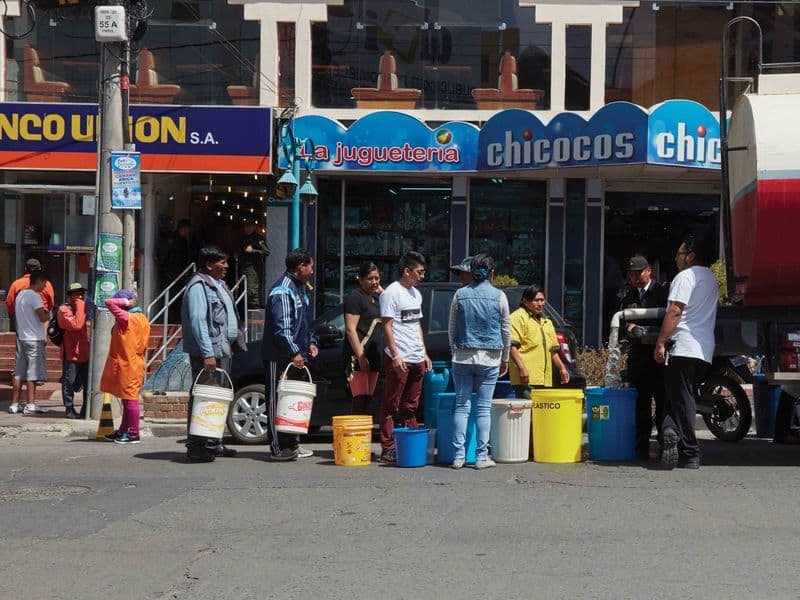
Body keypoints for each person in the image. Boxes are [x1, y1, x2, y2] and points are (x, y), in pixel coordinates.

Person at [654, 233, 719, 470]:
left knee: (682, 400)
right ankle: (670, 431)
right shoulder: (711, 279)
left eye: (679, 253)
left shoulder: (685, 277)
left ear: (690, 256)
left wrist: (661, 342)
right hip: (703, 350)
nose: (676, 258)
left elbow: (675, 310)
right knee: (678, 396)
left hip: (682, 346)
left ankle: (691, 452)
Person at [448, 254, 510, 469]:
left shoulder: (460, 294)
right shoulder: (500, 296)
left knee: (461, 406)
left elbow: (452, 328)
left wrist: (454, 350)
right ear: (491, 273)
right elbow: (506, 330)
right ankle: (481, 457)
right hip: (490, 357)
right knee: (483, 408)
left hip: (462, 356)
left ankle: (458, 456)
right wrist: (505, 358)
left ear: (471, 271)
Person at [182, 246, 241, 462]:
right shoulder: (198, 286)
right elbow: (198, 322)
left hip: (223, 350)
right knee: (204, 398)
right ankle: (196, 446)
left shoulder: (219, 284)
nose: (226, 266)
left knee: (218, 399)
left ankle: (213, 442)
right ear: (208, 264)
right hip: (210, 354)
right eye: (222, 262)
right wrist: (208, 354)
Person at [262, 248, 318, 461]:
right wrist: (294, 351)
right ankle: (278, 448)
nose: (311, 271)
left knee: (293, 402)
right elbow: (281, 329)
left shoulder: (300, 289)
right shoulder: (282, 290)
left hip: (296, 355)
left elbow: (303, 323)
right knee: (277, 400)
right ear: (301, 267)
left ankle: (293, 444)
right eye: (310, 267)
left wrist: (310, 342)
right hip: (279, 356)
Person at [378, 251, 431, 463]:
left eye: (423, 272)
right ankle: (388, 448)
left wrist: (424, 352)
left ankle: (411, 445)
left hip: (417, 357)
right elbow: (387, 326)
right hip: (400, 357)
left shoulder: (416, 294)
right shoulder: (391, 293)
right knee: (391, 404)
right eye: (419, 272)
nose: (422, 276)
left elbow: (416, 324)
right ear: (407, 271)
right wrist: (395, 354)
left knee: (411, 405)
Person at [619, 255, 669, 460]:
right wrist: (628, 329)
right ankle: (641, 446)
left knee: (663, 402)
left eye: (638, 273)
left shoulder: (663, 293)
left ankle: (665, 444)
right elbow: (621, 322)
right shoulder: (628, 295)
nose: (635, 278)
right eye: (631, 274)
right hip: (638, 357)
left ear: (649, 271)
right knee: (640, 404)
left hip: (659, 356)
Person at [99, 290, 151, 444]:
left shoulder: (127, 318)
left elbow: (108, 302)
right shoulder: (141, 317)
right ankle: (123, 431)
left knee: (130, 400)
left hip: (129, 364)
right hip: (134, 363)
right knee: (127, 400)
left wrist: (126, 302)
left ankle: (133, 433)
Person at [508, 285, 570, 399]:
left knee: (542, 410)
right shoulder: (517, 317)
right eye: (536, 300)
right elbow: (511, 346)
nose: (540, 304)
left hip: (544, 379)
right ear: (525, 302)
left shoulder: (546, 321)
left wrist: (562, 368)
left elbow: (553, 350)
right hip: (526, 379)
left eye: (542, 300)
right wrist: (522, 368)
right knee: (528, 409)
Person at [8, 271, 51, 415]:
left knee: (19, 372)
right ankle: (30, 404)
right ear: (39, 281)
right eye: (44, 283)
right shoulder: (35, 296)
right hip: (34, 339)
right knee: (33, 373)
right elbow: (42, 317)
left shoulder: (20, 295)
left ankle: (14, 404)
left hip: (22, 338)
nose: (44, 287)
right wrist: (48, 314)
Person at [344, 262, 383, 414]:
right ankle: (355, 430)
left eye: (377, 278)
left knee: (368, 400)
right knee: (359, 401)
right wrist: (361, 357)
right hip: (358, 357)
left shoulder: (377, 298)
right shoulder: (355, 298)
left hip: (374, 356)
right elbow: (350, 329)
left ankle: (365, 430)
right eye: (370, 278)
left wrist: (382, 291)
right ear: (360, 279)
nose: (374, 282)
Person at [58, 282, 90, 419]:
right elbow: (76, 325)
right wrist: (80, 304)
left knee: (87, 384)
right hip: (71, 353)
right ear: (69, 296)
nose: (80, 296)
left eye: (81, 294)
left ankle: (85, 409)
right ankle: (69, 409)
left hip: (85, 352)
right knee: (69, 382)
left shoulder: (80, 308)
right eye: (77, 294)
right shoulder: (64, 310)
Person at [158, 219, 194, 321]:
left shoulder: (183, 240)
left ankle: (175, 318)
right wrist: (164, 268)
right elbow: (164, 255)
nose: (188, 232)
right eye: (187, 229)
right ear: (183, 228)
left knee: (178, 296)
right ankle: (168, 318)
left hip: (180, 273)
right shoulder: (172, 239)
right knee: (170, 296)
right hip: (170, 274)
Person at [238, 221, 270, 309]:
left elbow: (266, 252)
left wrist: (253, 251)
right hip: (243, 268)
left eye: (250, 226)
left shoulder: (258, 238)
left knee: (251, 292)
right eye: (246, 226)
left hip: (253, 268)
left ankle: (255, 313)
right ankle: (244, 313)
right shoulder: (244, 238)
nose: (248, 228)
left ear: (254, 227)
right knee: (242, 291)